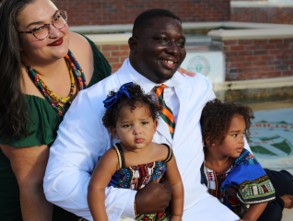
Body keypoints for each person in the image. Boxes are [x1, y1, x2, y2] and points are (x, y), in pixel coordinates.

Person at [44, 8, 243, 221]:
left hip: (198, 207)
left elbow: (232, 138)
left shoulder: (197, 87)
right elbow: (58, 182)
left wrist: (258, 188)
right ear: (134, 45)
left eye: (180, 43)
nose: (174, 50)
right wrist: (132, 202)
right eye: (163, 40)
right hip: (129, 216)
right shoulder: (94, 100)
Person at [0, 0, 112, 220]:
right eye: (38, 28)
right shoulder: (17, 93)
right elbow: (33, 186)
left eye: (57, 17)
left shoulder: (83, 48)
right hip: (31, 209)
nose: (55, 31)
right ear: (17, 42)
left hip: (89, 198)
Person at [200, 99, 293, 221]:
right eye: (235, 135)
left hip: (259, 182)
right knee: (271, 214)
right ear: (210, 139)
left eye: (242, 134)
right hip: (240, 205)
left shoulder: (245, 160)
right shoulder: (196, 163)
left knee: (284, 183)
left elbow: (262, 199)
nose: (242, 140)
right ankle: (280, 201)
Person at [88, 82, 184, 221]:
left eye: (144, 123)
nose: (137, 131)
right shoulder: (115, 157)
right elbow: (95, 189)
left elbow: (176, 184)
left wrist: (177, 215)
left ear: (154, 125)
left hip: (158, 216)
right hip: (123, 216)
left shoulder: (164, 152)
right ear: (115, 131)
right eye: (127, 125)